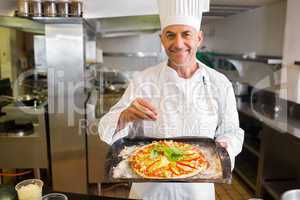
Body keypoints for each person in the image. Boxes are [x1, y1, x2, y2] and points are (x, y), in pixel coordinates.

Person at [98, 0, 244, 199]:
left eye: (186, 34)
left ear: (199, 38)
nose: (178, 43)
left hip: (198, 190)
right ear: (162, 39)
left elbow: (232, 131)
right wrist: (125, 116)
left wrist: (224, 146)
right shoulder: (143, 80)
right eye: (170, 35)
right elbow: (106, 126)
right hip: (149, 189)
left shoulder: (219, 83)